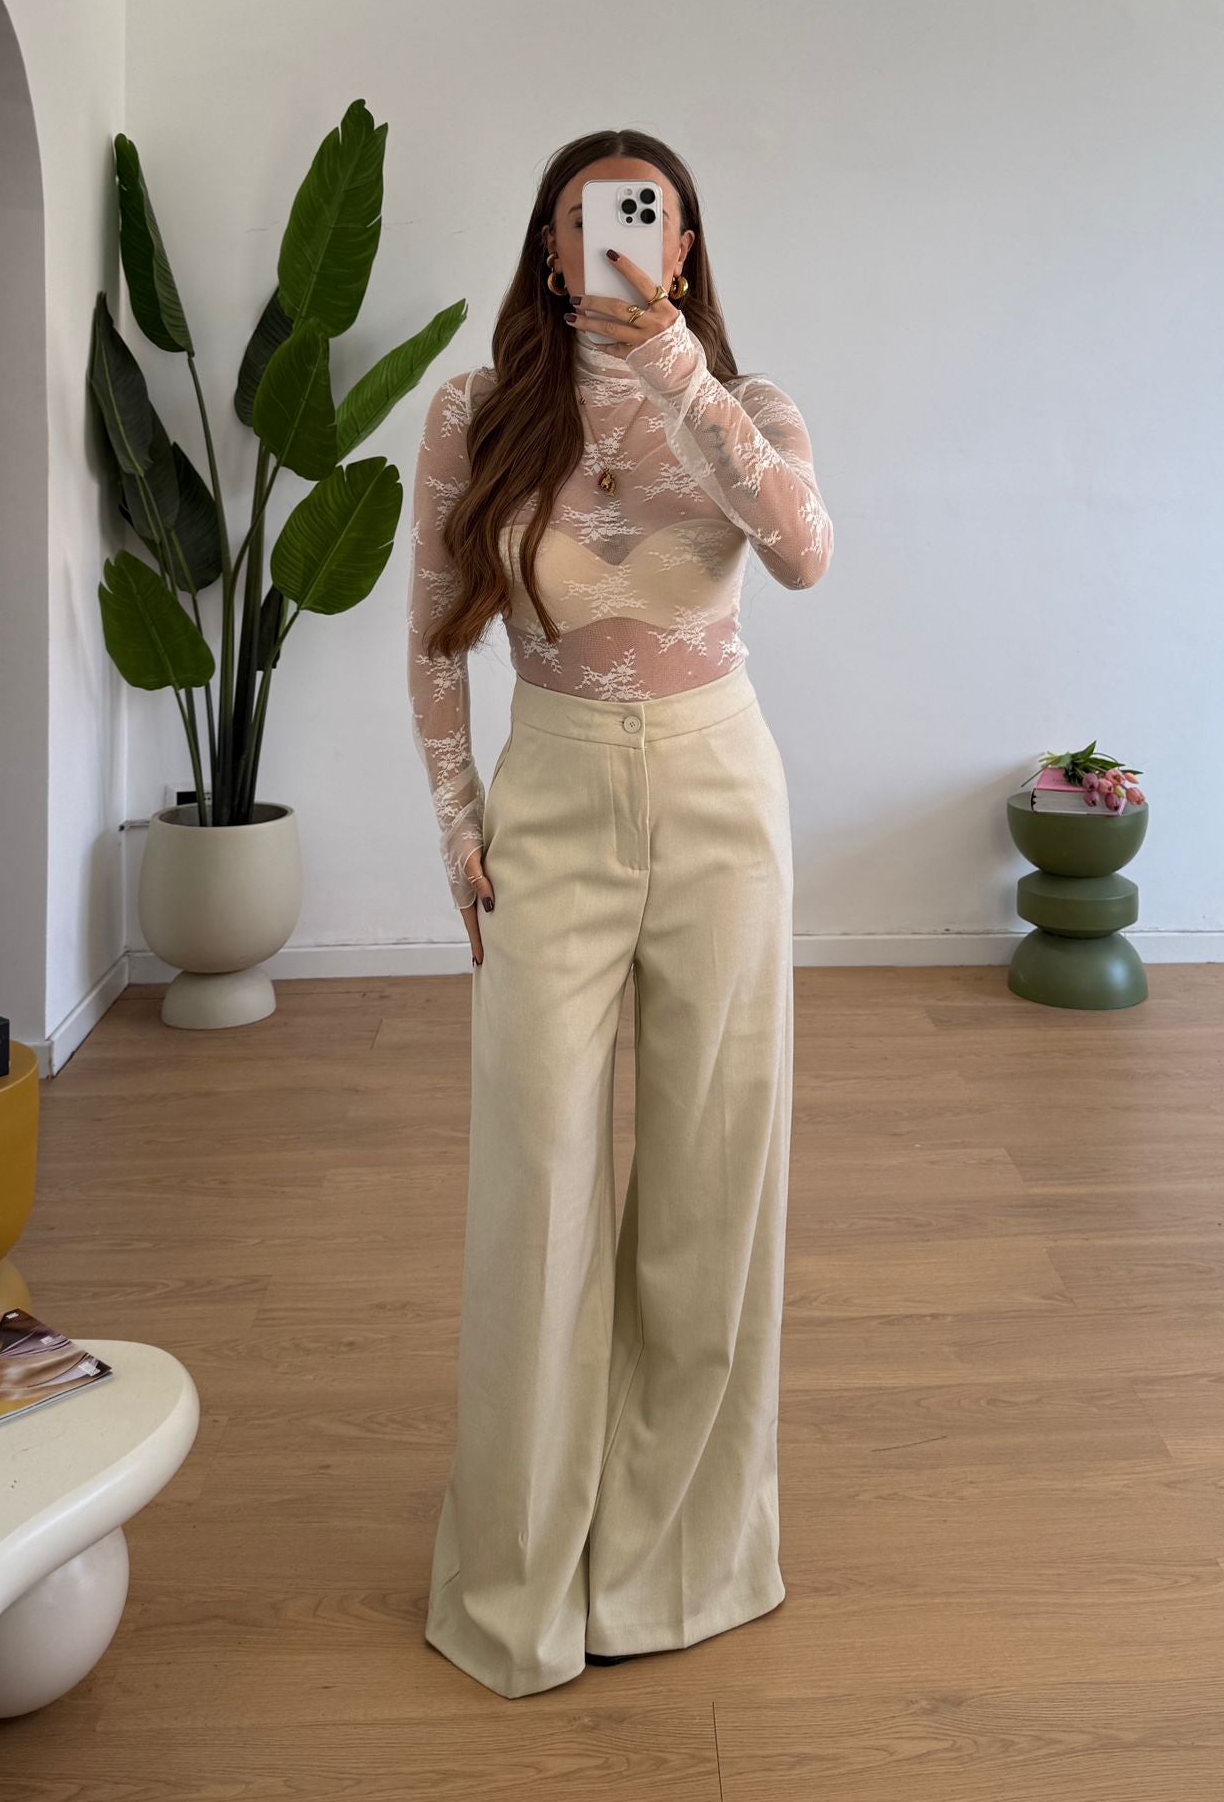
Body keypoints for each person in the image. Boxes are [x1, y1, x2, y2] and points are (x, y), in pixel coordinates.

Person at [406, 129, 834, 1698]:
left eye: (650, 223)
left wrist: (674, 371)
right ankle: (516, 1585)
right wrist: (460, 823)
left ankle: (679, 1566)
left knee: (718, 1179)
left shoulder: (752, 405)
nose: (621, 245)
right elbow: (433, 637)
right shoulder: (474, 412)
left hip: (723, 796)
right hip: (555, 794)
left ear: (686, 249)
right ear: (546, 246)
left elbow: (803, 553)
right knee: (538, 1184)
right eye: (590, 223)